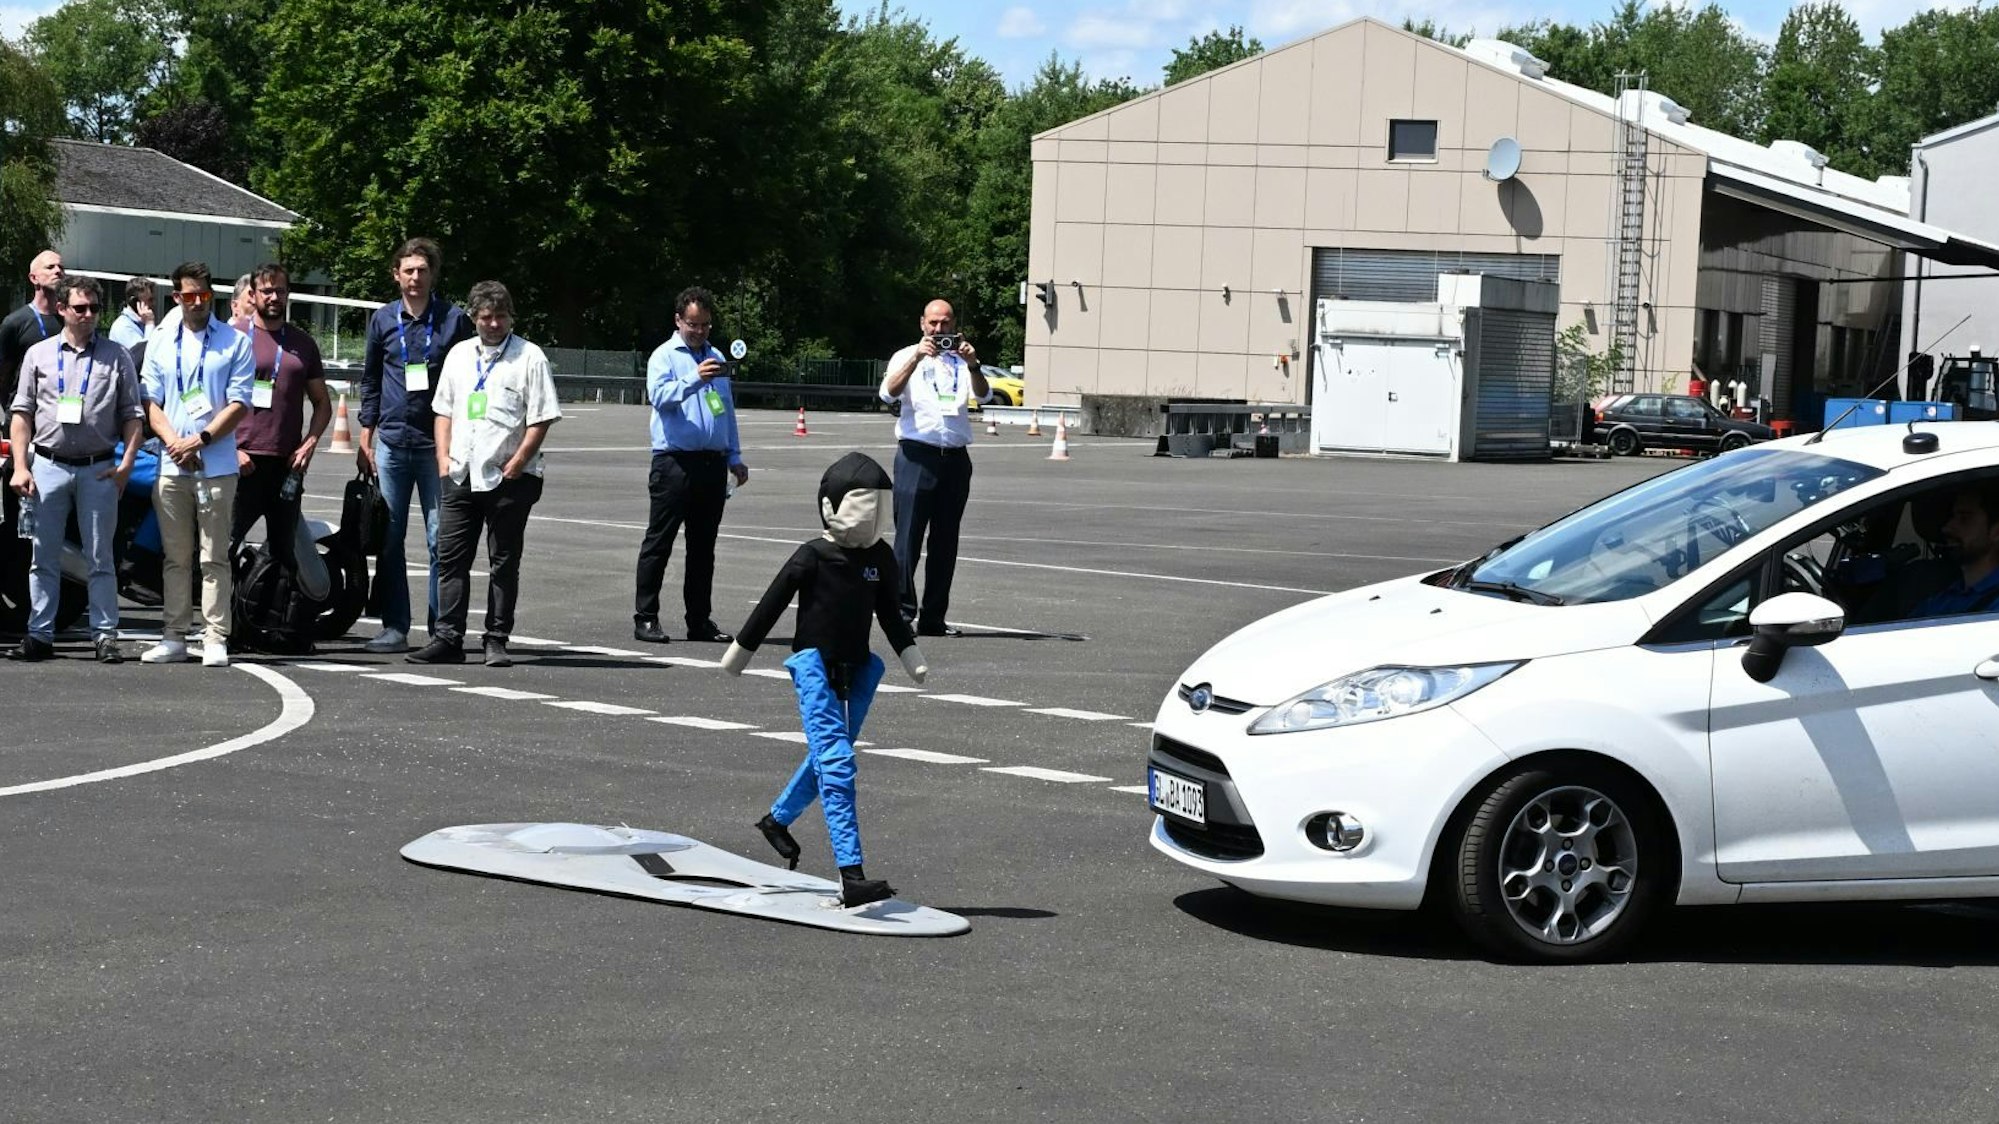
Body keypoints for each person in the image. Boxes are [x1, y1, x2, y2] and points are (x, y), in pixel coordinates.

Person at [721, 452, 928, 908]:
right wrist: (740, 652)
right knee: (837, 762)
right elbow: (771, 604)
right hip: (814, 668)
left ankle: (776, 820)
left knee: (829, 754)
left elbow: (890, 615)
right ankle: (851, 874)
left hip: (859, 669)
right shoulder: (812, 555)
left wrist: (910, 655)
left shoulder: (880, 557)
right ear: (830, 506)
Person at [407, 281, 560, 667]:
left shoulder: (530, 357)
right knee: (451, 558)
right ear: (473, 317)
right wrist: (442, 459)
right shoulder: (459, 355)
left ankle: (496, 638)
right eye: (486, 317)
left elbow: (541, 416)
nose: (494, 324)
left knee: (503, 562)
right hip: (461, 473)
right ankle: (448, 638)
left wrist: (519, 461)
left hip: (510, 476)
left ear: (511, 317)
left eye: (501, 317)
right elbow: (443, 411)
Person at [5, 276, 144, 662]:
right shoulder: (39, 354)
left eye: (94, 308)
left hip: (99, 468)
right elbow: (22, 414)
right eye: (80, 308)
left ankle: (105, 636)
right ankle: (39, 635)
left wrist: (126, 465)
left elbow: (133, 416)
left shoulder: (117, 356)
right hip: (48, 466)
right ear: (62, 309)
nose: (88, 315)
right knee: (43, 556)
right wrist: (21, 466)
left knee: (100, 557)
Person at [357, 237, 473, 653]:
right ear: (396, 275)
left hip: (437, 446)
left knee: (441, 539)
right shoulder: (382, 320)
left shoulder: (454, 320)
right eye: (408, 270)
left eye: (423, 270)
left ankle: (443, 631)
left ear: (432, 275)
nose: (415, 277)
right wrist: (366, 433)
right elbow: (371, 378)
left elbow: (468, 378)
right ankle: (395, 627)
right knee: (390, 539)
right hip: (391, 442)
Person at [139, 261, 255, 667]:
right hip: (173, 464)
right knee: (176, 557)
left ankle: (215, 636)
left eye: (204, 294)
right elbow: (150, 401)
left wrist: (199, 440)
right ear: (177, 297)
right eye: (189, 295)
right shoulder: (160, 340)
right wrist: (175, 443)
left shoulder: (234, 342)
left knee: (214, 556)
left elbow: (239, 403)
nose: (197, 302)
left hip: (217, 464)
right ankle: (174, 634)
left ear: (212, 295)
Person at [632, 285, 747, 645]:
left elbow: (726, 411)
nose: (699, 331)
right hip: (674, 463)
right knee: (659, 542)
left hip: (712, 464)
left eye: (705, 325)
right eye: (693, 324)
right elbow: (659, 397)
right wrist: (695, 378)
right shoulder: (664, 356)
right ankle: (645, 617)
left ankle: (699, 620)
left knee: (703, 548)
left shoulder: (716, 356)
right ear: (678, 320)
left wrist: (735, 456)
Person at [878, 298, 991, 637]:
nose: (940, 329)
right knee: (908, 537)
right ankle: (901, 612)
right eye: (933, 323)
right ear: (922, 324)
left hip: (954, 458)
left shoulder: (962, 359)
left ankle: (934, 617)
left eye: (946, 323)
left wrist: (973, 365)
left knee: (946, 541)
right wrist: (916, 357)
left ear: (954, 324)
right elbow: (888, 394)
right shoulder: (905, 355)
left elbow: (984, 396)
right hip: (917, 455)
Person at [230, 263, 330, 571]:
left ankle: (269, 601)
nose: (274, 297)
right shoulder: (233, 337)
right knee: (225, 547)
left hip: (287, 465)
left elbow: (322, 403)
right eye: (267, 290)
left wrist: (309, 443)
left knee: (284, 553)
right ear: (253, 294)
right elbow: (212, 399)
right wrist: (230, 449)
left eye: (280, 291)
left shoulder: (303, 344)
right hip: (242, 462)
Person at [1911, 485, 1999, 617]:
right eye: (1951, 517)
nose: (1947, 528)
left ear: (1997, 532)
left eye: (1964, 519)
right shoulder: (1941, 597)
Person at [1, 250, 64, 406]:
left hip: (58, 410)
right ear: (33, 278)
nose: (58, 271)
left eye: (61, 267)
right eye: (50, 267)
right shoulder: (14, 323)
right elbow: (3, 373)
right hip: (24, 410)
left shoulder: (70, 321)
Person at [108, 278, 155, 355]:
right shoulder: (123, 327)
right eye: (150, 300)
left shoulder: (142, 322)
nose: (153, 304)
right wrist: (150, 323)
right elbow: (145, 355)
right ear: (134, 301)